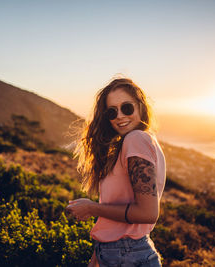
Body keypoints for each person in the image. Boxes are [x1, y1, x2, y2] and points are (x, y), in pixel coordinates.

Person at [66, 78, 166, 266]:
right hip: (122, 252)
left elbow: (148, 213)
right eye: (112, 112)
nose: (119, 116)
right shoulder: (137, 141)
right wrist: (98, 255)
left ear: (140, 107)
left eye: (126, 108)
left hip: (127, 254)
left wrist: (91, 208)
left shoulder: (136, 139)